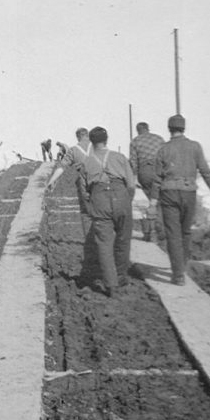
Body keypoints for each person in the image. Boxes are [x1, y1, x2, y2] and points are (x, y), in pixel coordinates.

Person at [149, 114, 210, 285]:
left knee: (173, 235)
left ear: (169, 129)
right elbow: (206, 171)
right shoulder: (195, 147)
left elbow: (157, 179)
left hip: (169, 194)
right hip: (189, 193)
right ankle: (183, 266)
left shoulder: (163, 149)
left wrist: (152, 202)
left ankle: (178, 275)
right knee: (186, 232)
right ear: (183, 128)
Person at [79, 126, 135, 298]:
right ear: (107, 139)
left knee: (104, 244)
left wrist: (91, 207)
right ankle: (121, 276)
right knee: (123, 239)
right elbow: (131, 185)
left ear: (91, 142)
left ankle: (111, 286)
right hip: (121, 197)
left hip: (99, 199)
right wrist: (126, 201)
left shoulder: (86, 162)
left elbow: (83, 191)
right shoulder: (119, 157)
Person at [46, 128, 92, 236]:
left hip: (84, 181)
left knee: (86, 213)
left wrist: (52, 181)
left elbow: (62, 166)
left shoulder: (74, 150)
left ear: (77, 137)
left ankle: (90, 241)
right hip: (100, 180)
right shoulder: (96, 147)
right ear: (88, 135)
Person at [129, 121, 165, 241]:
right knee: (160, 200)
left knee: (148, 202)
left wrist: (134, 179)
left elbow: (133, 162)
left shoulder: (135, 141)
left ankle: (149, 232)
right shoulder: (159, 139)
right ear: (148, 128)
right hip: (160, 170)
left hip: (145, 172)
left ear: (138, 130)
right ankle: (161, 229)